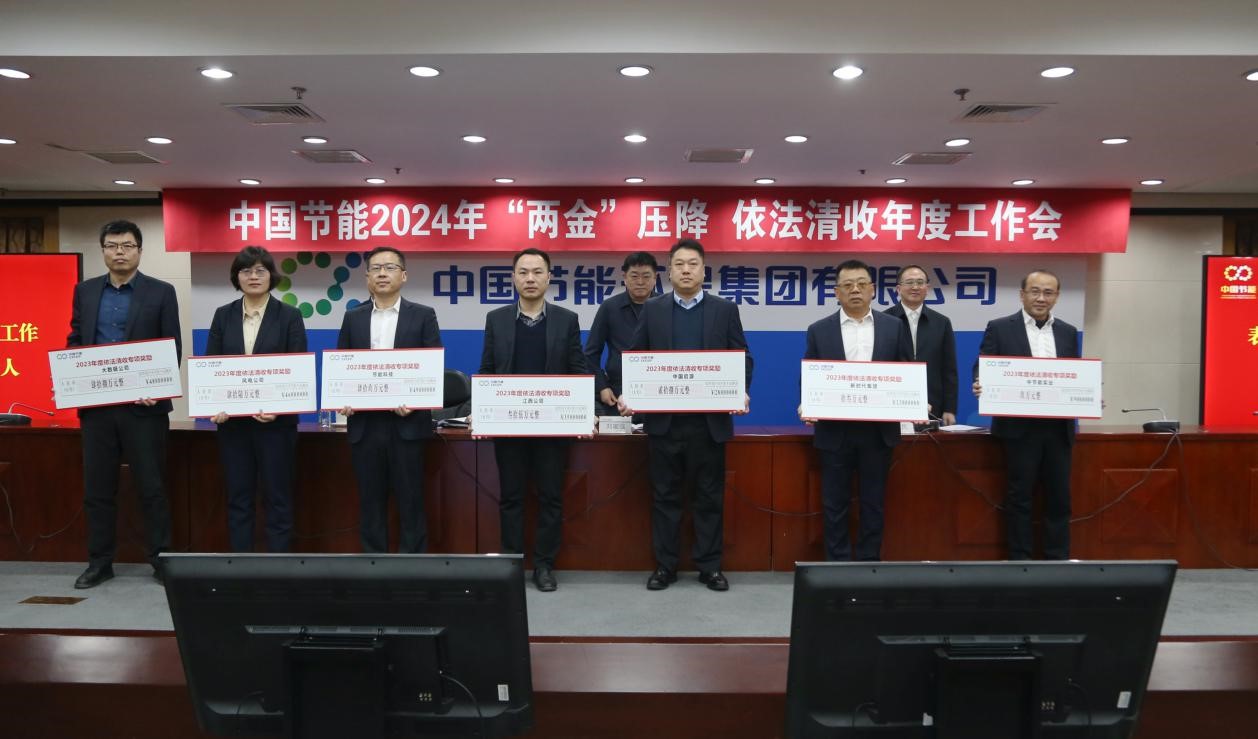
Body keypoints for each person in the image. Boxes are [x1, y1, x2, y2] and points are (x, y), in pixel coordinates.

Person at [621, 239, 753, 592]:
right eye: (679, 264)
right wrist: (631, 392)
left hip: (708, 424)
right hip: (665, 424)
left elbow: (742, 357)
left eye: (692, 264)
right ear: (669, 270)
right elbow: (636, 356)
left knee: (709, 498)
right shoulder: (653, 309)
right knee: (665, 497)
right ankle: (665, 567)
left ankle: (710, 567)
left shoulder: (724, 309)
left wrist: (739, 389)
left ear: (703, 270)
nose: (686, 270)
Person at [66, 220, 181, 588]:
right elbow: (76, 340)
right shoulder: (85, 291)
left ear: (139, 251)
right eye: (112, 245)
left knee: (152, 487)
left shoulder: (161, 292)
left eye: (127, 246)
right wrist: (70, 377)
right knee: (97, 490)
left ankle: (160, 560)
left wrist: (158, 387)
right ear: (103, 250)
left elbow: (171, 346)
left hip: (144, 409)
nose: (120, 252)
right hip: (97, 409)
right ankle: (100, 562)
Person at [478, 247, 587, 592]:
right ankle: (512, 564)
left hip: (552, 429)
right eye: (523, 272)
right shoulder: (496, 319)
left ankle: (544, 565)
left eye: (537, 272)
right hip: (508, 426)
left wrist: (584, 414)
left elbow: (577, 370)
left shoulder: (566, 320)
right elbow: (487, 370)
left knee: (551, 497)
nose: (530, 278)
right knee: (511, 497)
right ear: (513, 278)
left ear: (549, 277)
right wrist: (482, 410)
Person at [802, 259, 913, 562]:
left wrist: (915, 399)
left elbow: (906, 370)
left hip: (878, 432)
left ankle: (868, 565)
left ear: (873, 290)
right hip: (835, 431)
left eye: (862, 284)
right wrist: (807, 402)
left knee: (873, 503)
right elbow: (810, 375)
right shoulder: (819, 330)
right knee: (834, 503)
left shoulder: (894, 327)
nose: (855, 290)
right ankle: (837, 566)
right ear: (836, 292)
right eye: (848, 285)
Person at [336, 246, 442, 554]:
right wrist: (344, 397)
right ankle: (374, 567)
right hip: (365, 426)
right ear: (367, 277)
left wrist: (417, 400)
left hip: (407, 425)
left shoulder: (423, 315)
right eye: (376, 268)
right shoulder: (353, 317)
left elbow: (432, 368)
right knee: (370, 502)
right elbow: (343, 365)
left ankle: (413, 569)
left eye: (390, 267)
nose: (383, 273)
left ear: (404, 276)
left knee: (411, 501)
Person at [205, 246, 307, 553]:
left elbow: (297, 369)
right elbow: (212, 366)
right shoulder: (223, 315)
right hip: (234, 426)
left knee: (278, 497)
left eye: (260, 270)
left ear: (271, 276)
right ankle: (241, 564)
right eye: (246, 271)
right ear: (237, 277)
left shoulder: (289, 316)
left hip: (276, 427)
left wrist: (278, 409)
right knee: (239, 497)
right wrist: (215, 406)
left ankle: (278, 565)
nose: (253, 276)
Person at [972, 269, 1079, 560]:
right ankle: (1020, 561)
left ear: (1056, 297)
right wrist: (981, 381)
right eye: (1035, 291)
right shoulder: (1000, 328)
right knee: (1019, 497)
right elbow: (983, 364)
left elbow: (1074, 373)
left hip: (1058, 430)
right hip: (1019, 430)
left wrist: (1088, 394)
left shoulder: (1068, 332)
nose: (1041, 298)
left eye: (1048, 292)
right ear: (1022, 295)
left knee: (1059, 498)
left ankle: (1057, 559)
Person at [883, 264, 959, 426]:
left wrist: (950, 408)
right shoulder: (883, 320)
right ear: (898, 288)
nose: (915, 287)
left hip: (933, 405)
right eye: (909, 282)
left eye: (920, 282)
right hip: (892, 403)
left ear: (927, 288)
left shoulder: (942, 322)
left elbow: (949, 370)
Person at [583, 251, 658, 414]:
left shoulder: (665, 307)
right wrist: (602, 387)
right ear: (625, 277)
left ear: (655, 278)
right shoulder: (610, 307)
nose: (640, 282)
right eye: (634, 276)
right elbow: (590, 353)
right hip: (617, 392)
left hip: (658, 390)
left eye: (646, 276)